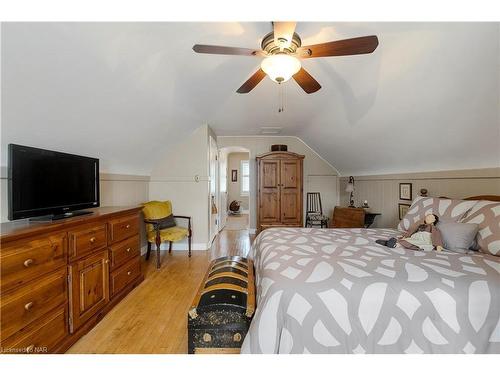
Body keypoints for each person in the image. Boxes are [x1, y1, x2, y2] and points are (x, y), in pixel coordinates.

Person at [376, 213, 444, 252]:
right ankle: (393, 243)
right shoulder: (421, 225)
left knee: (415, 243)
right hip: (416, 236)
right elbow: (413, 230)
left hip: (424, 239)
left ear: (434, 220)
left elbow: (436, 236)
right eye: (427, 217)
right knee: (408, 240)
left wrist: (438, 245)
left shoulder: (434, 228)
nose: (427, 218)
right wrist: (406, 236)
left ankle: (394, 244)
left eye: (430, 218)